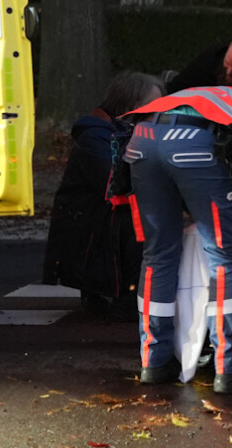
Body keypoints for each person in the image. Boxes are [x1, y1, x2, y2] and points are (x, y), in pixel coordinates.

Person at [122, 82, 232, 393]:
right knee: (225, 254)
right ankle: (231, 367)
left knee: (158, 254)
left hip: (142, 138)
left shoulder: (220, 97)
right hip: (194, 143)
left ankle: (154, 360)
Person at [42, 71, 163, 315]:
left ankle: (136, 292)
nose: (159, 114)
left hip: (95, 217)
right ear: (133, 105)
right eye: (154, 106)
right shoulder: (95, 136)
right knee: (138, 219)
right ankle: (127, 296)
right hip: (91, 222)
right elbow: (115, 184)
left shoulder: (111, 132)